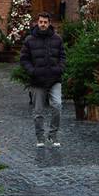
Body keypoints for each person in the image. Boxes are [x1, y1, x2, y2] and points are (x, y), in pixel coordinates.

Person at [20, 12, 66, 148]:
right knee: (38, 111)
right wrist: (32, 71)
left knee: (57, 106)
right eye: (41, 22)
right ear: (37, 23)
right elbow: (24, 59)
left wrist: (59, 68)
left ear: (49, 23)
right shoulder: (29, 40)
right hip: (37, 80)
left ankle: (53, 134)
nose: (43, 24)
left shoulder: (57, 39)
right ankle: (40, 137)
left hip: (54, 78)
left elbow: (63, 57)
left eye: (45, 22)